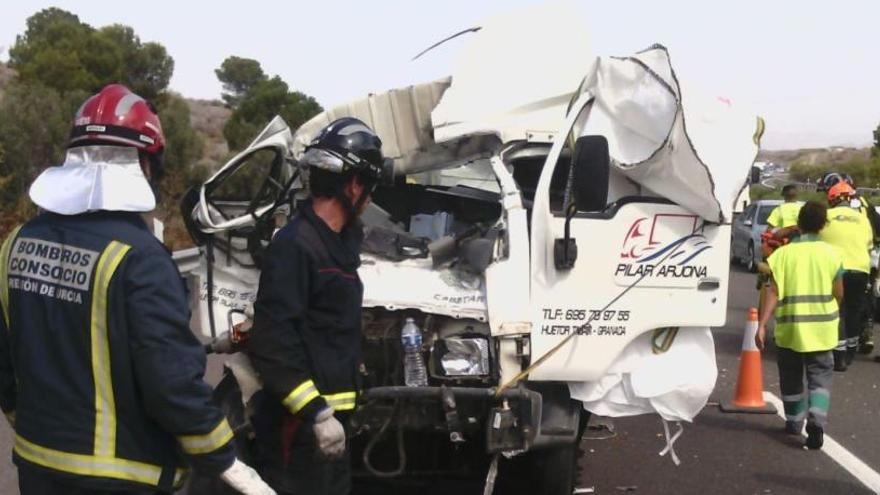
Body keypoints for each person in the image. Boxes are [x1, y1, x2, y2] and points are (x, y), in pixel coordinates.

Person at [0, 84, 274, 495]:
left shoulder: (17, 242)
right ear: (146, 166)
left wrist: (32, 425)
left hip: (37, 466)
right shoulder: (141, 258)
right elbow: (170, 383)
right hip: (123, 478)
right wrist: (225, 458)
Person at [246, 118, 388, 494]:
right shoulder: (297, 246)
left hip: (328, 429)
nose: (370, 199)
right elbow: (273, 342)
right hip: (299, 429)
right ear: (354, 185)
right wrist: (316, 413)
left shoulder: (336, 246)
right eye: (369, 188)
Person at [756, 201, 843, 450]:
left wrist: (762, 325)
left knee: (791, 377)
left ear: (798, 225)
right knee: (820, 376)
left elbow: (773, 291)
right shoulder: (832, 254)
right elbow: (838, 293)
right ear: (823, 225)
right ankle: (817, 421)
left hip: (791, 327)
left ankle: (794, 422)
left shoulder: (782, 255)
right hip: (823, 328)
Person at [819, 181, 873, 371]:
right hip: (860, 269)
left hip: (835, 269)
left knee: (837, 311)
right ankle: (850, 352)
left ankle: (838, 356)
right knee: (854, 311)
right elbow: (868, 245)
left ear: (832, 199)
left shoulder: (826, 216)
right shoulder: (863, 219)